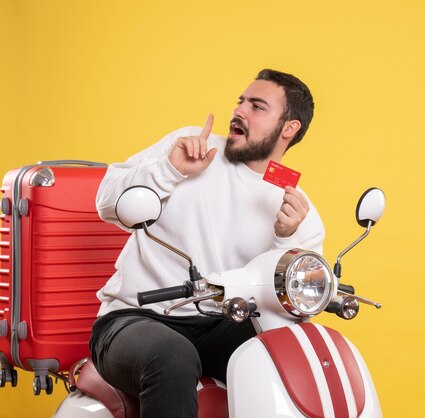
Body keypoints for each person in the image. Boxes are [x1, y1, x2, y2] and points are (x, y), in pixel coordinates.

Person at [89, 69, 325, 418]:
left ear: (289, 128)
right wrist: (169, 170)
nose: (240, 111)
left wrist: (286, 237)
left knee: (295, 350)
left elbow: (298, 300)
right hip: (136, 319)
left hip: (221, 323)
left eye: (257, 106)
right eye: (241, 101)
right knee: (172, 355)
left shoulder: (295, 206)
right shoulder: (190, 145)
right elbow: (105, 201)